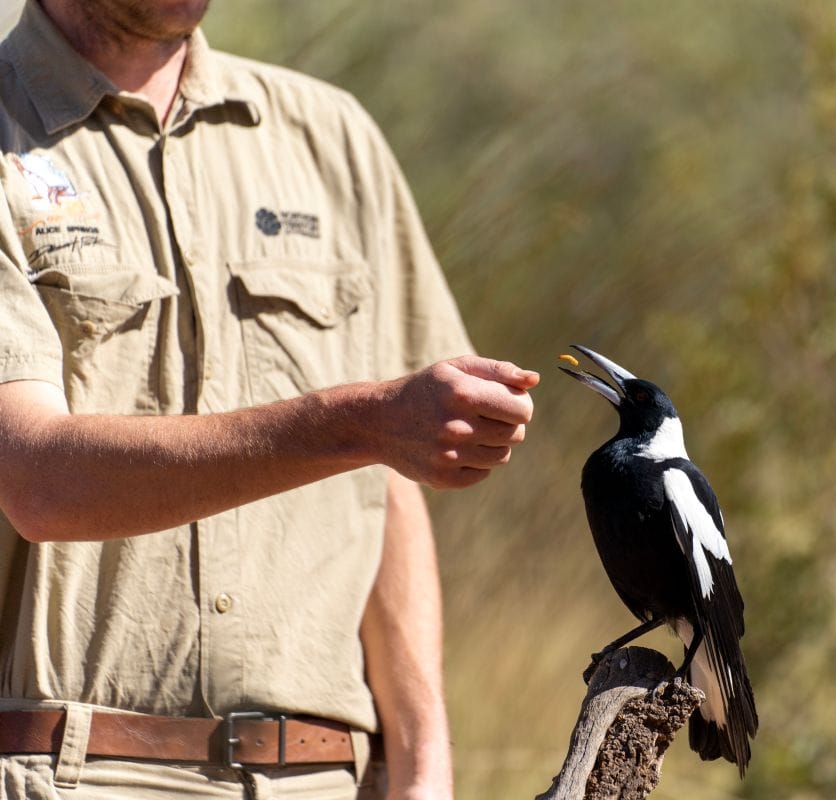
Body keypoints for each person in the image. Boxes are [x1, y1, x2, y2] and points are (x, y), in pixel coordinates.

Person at [0, 1, 538, 798]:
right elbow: (40, 482)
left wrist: (424, 767)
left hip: (324, 779)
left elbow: (386, 487)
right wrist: (359, 421)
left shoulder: (332, 138)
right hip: (73, 772)